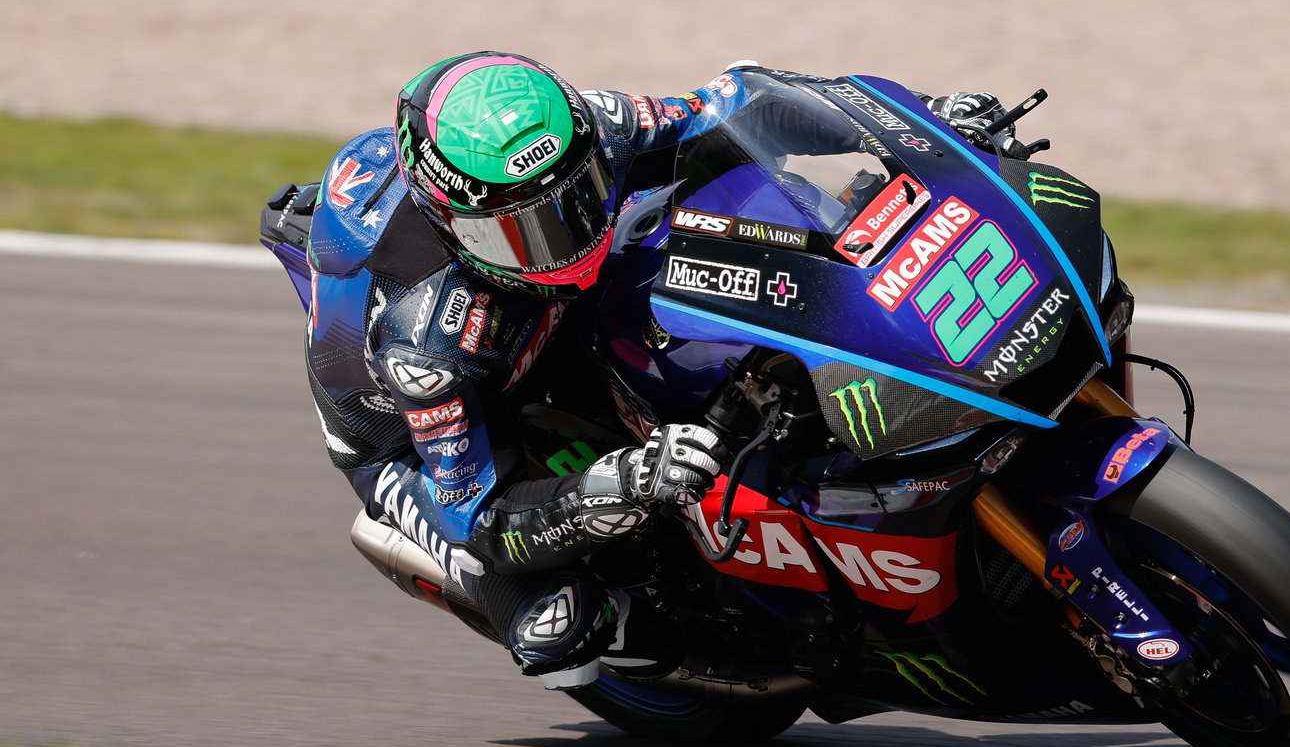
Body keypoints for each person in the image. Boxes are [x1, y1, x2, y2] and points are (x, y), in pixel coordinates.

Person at [274, 52, 1013, 690]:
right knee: (557, 624)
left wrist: (922, 126)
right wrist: (620, 484)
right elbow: (482, 517)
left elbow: (736, 103)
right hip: (403, 437)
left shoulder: (593, 125)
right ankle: (647, 631)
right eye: (525, 230)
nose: (566, 237)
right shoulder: (426, 342)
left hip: (550, 317)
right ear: (455, 226)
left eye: (578, 198)